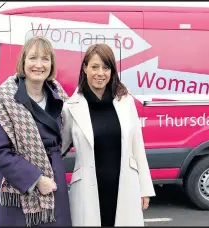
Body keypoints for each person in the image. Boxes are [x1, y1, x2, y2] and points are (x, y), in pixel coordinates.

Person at [61, 43, 156, 226]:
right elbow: (59, 149)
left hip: (124, 188)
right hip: (87, 193)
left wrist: (144, 189)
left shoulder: (125, 101)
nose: (100, 73)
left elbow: (138, 147)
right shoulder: (71, 108)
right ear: (84, 68)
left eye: (106, 67)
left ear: (112, 71)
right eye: (94, 67)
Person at [0, 36, 72, 227]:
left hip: (54, 176)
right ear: (23, 61)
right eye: (33, 58)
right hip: (20, 185)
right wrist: (35, 179)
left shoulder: (58, 95)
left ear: (51, 64)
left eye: (45, 59)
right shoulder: (5, 99)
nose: (38, 65)